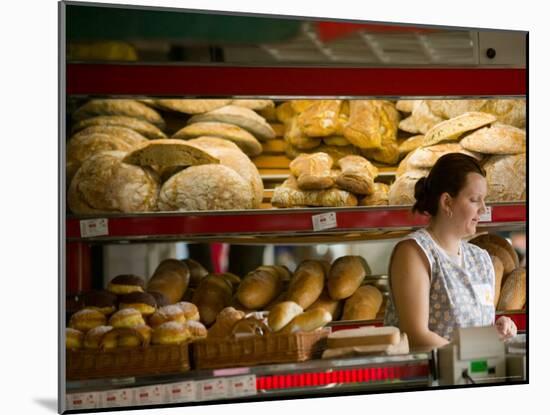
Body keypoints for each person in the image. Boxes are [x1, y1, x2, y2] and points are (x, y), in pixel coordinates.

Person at [384, 153, 517, 349]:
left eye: (484, 200)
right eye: (474, 200)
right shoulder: (414, 252)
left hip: (475, 375)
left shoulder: (481, 258)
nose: (483, 208)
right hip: (430, 377)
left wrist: (496, 332)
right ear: (447, 202)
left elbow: (472, 332)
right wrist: (471, 357)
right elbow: (415, 335)